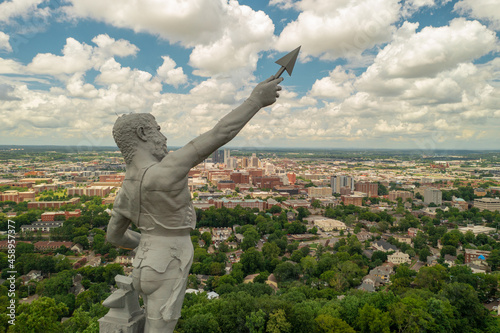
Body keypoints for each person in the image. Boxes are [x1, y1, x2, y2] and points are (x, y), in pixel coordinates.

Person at [106, 75, 283, 332]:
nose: (163, 135)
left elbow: (114, 236)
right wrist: (255, 101)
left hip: (142, 267)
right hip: (169, 263)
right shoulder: (166, 170)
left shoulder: (126, 187)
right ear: (143, 133)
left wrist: (144, 242)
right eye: (157, 129)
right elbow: (221, 133)